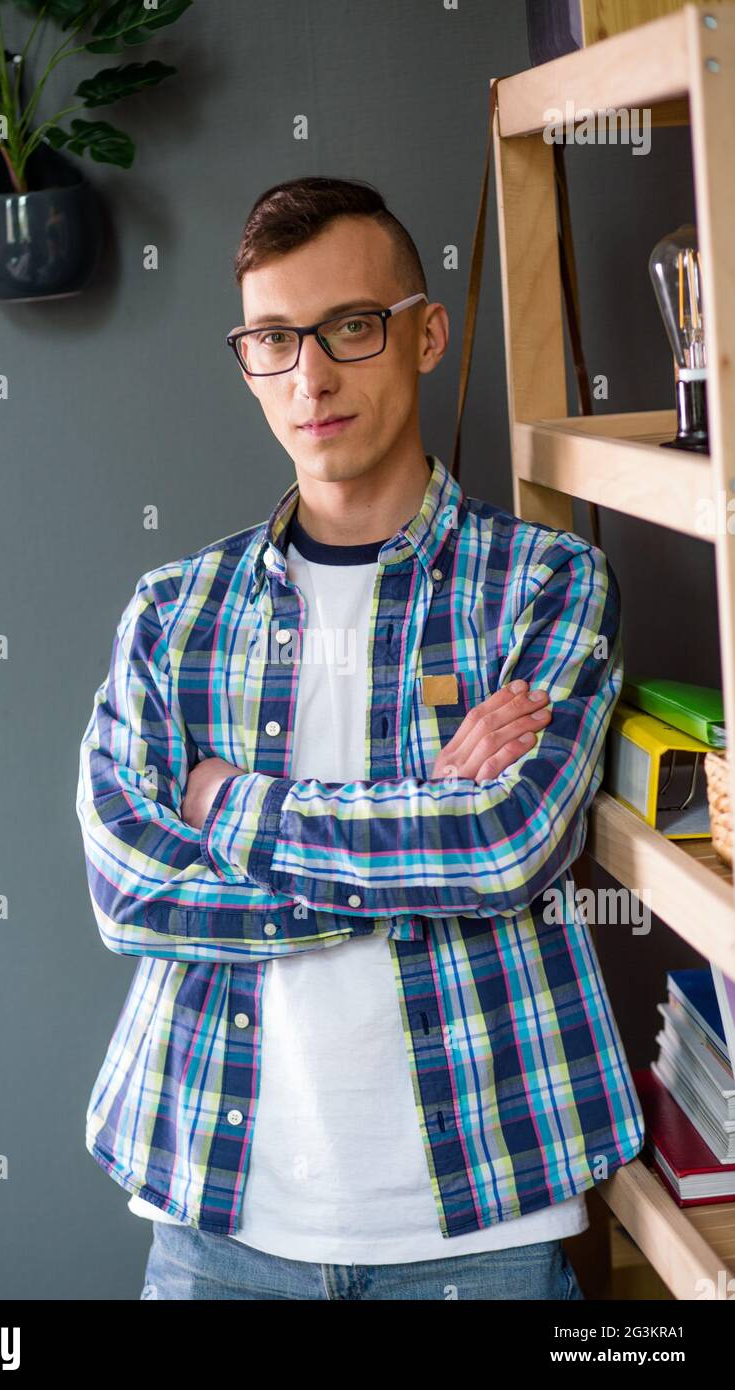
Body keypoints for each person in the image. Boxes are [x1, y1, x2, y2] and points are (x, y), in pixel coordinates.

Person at [75, 175, 644, 1301]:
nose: (311, 376)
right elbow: (128, 890)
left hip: (483, 1223)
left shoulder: (543, 583)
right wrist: (415, 819)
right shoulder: (173, 609)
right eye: (273, 340)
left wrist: (223, 801)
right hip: (213, 1221)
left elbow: (499, 847)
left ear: (424, 333)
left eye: (348, 326)